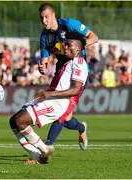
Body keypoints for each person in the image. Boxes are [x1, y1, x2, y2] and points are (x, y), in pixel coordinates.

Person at [9, 32, 89, 164]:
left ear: (78, 49)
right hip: (49, 98)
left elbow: (76, 89)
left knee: (21, 121)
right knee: (14, 121)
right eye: (65, 44)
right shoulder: (69, 60)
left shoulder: (79, 63)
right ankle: (35, 155)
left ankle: (44, 150)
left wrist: (50, 94)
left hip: (56, 103)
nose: (65, 47)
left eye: (69, 45)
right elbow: (52, 49)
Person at [37, 3, 98, 151]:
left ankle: (47, 148)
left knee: (61, 115)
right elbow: (44, 61)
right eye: (41, 18)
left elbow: (94, 37)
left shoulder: (69, 24)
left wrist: (81, 45)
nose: (44, 21)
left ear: (53, 15)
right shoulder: (45, 36)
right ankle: (81, 128)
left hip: (78, 73)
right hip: (61, 74)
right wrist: (42, 68)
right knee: (66, 118)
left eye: (46, 17)